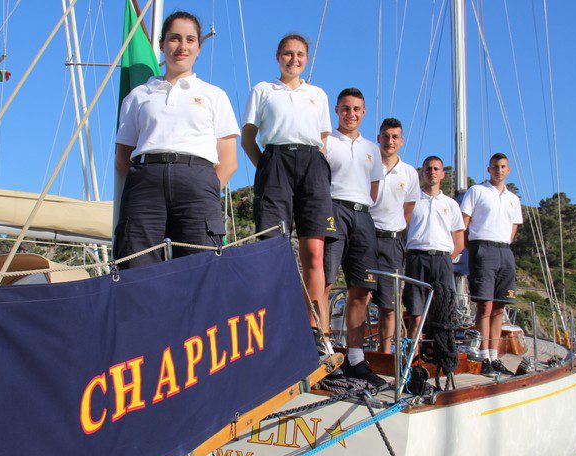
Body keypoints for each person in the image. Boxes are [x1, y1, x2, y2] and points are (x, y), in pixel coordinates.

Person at [114, 11, 239, 269]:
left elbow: (228, 161)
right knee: (135, 264)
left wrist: (204, 188)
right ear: (162, 44)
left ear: (198, 48)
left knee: (201, 267)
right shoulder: (138, 96)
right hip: (145, 186)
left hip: (198, 185)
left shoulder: (214, 95)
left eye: (190, 40)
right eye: (174, 38)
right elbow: (122, 156)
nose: (182, 46)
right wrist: (146, 179)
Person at [241, 33, 334, 351]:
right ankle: (273, 325)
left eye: (300, 54)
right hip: (275, 162)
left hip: (312, 166)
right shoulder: (263, 90)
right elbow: (248, 139)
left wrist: (314, 167)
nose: (294, 59)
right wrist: (266, 170)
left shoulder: (317, 94)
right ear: (278, 56)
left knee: (315, 252)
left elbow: (323, 139)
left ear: (307, 59)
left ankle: (315, 329)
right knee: (272, 249)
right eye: (288, 53)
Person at [321, 87, 386, 385]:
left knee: (362, 288)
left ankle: (357, 358)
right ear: (337, 110)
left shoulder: (372, 149)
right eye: (345, 108)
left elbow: (374, 189)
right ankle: (324, 352)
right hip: (333, 209)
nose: (351, 114)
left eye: (356, 109)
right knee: (325, 281)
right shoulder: (326, 142)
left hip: (363, 215)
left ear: (364, 112)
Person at [460, 153, 523, 376]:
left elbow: (513, 227)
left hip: (505, 251)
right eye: (495, 166)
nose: (499, 170)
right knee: (484, 306)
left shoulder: (513, 199)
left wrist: (503, 244)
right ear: (488, 169)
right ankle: (484, 356)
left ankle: (494, 356)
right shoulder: (477, 191)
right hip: (482, 248)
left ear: (508, 170)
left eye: (503, 167)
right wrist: (473, 249)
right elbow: (464, 223)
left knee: (499, 307)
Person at [370, 118, 420, 353]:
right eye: (386, 136)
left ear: (401, 141)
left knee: (388, 305)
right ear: (378, 138)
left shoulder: (409, 173)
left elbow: (408, 209)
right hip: (366, 237)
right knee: (360, 296)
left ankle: (385, 354)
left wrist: (395, 229)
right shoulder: (368, 164)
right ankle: (356, 353)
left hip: (392, 241)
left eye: (395, 137)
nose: (390, 141)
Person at [404, 156, 465, 342]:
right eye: (428, 169)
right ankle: (414, 356)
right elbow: (402, 229)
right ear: (422, 173)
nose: (432, 172)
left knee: (442, 314)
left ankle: (439, 354)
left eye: (436, 169)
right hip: (416, 259)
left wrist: (445, 260)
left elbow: (459, 241)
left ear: (443, 174)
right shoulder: (412, 202)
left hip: (442, 260)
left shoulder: (451, 204)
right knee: (415, 315)